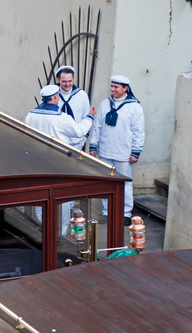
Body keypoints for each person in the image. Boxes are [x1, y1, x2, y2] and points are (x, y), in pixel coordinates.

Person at [25, 85, 96, 234]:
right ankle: (61, 232)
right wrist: (89, 116)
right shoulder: (62, 118)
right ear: (56, 97)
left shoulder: (30, 115)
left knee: (40, 195)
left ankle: (41, 229)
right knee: (61, 198)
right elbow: (79, 132)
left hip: (36, 162)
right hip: (58, 163)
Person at [89, 75, 145, 225]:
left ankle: (125, 213)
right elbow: (98, 126)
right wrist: (93, 145)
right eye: (112, 86)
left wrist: (136, 151)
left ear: (125, 88)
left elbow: (139, 131)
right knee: (106, 182)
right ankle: (107, 212)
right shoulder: (105, 104)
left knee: (125, 183)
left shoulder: (134, 107)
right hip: (106, 151)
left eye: (116, 87)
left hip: (124, 153)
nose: (113, 89)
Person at [55, 65, 91, 149]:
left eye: (70, 81)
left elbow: (86, 117)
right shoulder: (52, 95)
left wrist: (84, 139)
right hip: (57, 141)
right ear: (58, 80)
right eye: (64, 81)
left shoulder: (82, 95)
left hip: (76, 143)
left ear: (74, 79)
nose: (67, 84)